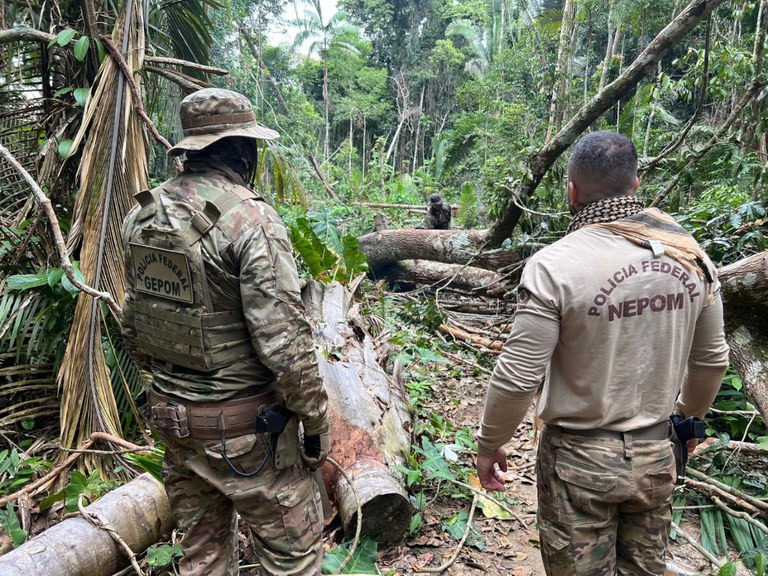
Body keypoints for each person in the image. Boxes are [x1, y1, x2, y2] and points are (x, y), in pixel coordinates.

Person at [475, 130, 730, 575]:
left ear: (571, 191)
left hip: (578, 461)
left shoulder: (554, 266)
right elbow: (712, 360)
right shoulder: (691, 256)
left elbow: (519, 375)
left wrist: (490, 443)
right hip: (656, 453)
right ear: (635, 184)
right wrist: (687, 421)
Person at [121, 87, 330, 576]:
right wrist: (316, 420)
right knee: (294, 559)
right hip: (249, 437)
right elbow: (285, 346)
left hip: (176, 428)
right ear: (241, 149)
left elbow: (136, 327)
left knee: (202, 560)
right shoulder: (251, 219)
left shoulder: (143, 215)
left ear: (191, 150)